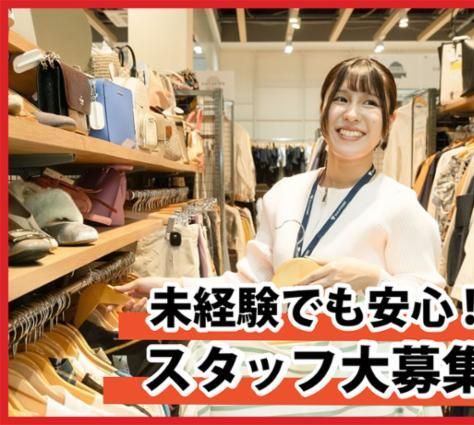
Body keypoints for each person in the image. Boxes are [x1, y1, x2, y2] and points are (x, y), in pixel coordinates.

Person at [117, 57, 444, 416]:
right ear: (323, 109)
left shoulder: (401, 207)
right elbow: (250, 286)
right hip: (280, 366)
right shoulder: (285, 194)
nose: (352, 114)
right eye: (341, 99)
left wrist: (372, 278)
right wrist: (170, 290)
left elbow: (432, 307)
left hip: (355, 385)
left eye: (369, 103)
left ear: (388, 122)